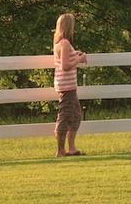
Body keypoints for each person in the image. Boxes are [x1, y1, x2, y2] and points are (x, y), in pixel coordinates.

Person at [53, 13, 87, 157]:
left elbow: (66, 59)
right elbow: (65, 66)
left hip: (68, 86)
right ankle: (61, 150)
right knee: (65, 116)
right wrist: (79, 60)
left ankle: (71, 148)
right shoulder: (65, 43)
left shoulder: (61, 43)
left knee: (76, 115)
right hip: (66, 87)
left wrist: (76, 54)